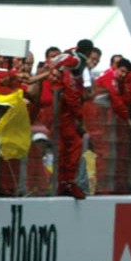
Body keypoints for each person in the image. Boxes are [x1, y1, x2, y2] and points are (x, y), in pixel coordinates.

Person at [49, 38, 95, 199]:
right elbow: (72, 87)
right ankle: (67, 182)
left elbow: (57, 60)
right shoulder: (78, 60)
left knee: (63, 147)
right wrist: (79, 115)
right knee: (73, 145)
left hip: (62, 105)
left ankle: (62, 182)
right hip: (67, 108)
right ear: (89, 52)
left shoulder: (70, 54)